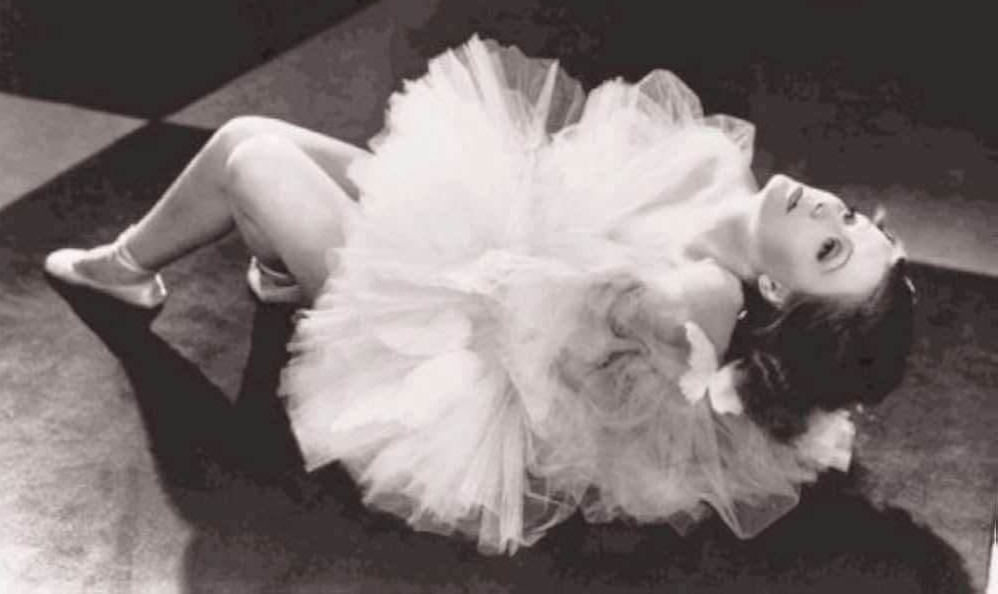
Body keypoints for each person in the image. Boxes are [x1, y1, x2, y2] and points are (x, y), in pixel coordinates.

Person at [45, 36, 915, 554]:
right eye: (847, 219)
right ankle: (250, 266)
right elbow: (568, 189)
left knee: (254, 161)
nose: (826, 211)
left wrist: (494, 263)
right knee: (249, 134)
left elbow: (545, 351)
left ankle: (127, 271)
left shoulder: (691, 300)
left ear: (776, 287)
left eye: (830, 248)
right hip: (477, 255)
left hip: (450, 342)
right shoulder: (720, 176)